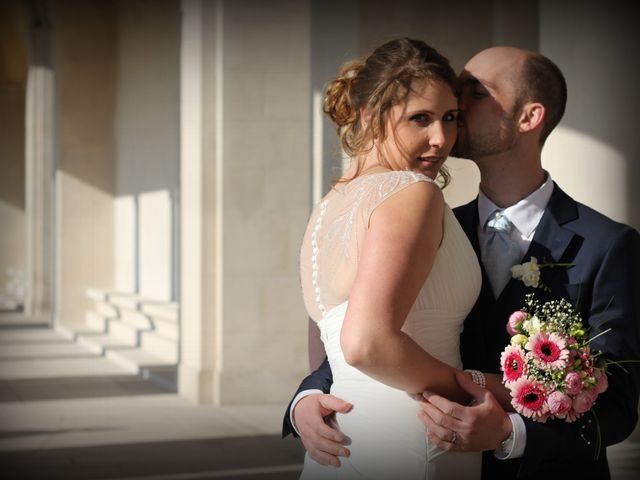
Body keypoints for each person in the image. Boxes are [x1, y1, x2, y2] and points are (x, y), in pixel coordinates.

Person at [284, 45, 640, 479]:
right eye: (430, 113)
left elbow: (617, 407)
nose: (452, 115)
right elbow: (356, 335)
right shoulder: (430, 224)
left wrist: (511, 434)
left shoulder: (607, 244)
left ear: (529, 118)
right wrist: (305, 400)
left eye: (473, 94)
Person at [293, 38, 511, 479]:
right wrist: (483, 386)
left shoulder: (327, 207)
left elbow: (323, 349)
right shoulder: (412, 193)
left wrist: (303, 403)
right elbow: (366, 343)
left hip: (345, 439)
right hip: (419, 435)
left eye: (450, 118)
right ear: (370, 115)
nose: (441, 139)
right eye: (420, 119)